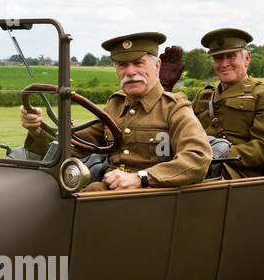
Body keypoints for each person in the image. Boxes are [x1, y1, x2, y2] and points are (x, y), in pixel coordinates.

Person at [20, 32, 210, 191]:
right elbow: (75, 146)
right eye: (122, 65)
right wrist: (37, 129)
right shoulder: (115, 105)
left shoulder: (174, 107)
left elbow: (198, 157)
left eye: (138, 63)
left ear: (157, 66)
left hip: (154, 198)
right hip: (109, 194)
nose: (130, 72)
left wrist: (140, 178)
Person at [160, 28, 264, 180]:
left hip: (231, 173)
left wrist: (216, 153)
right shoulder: (205, 94)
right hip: (195, 165)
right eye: (218, 58)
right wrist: (163, 87)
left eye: (231, 56)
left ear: (247, 58)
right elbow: (174, 124)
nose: (224, 64)